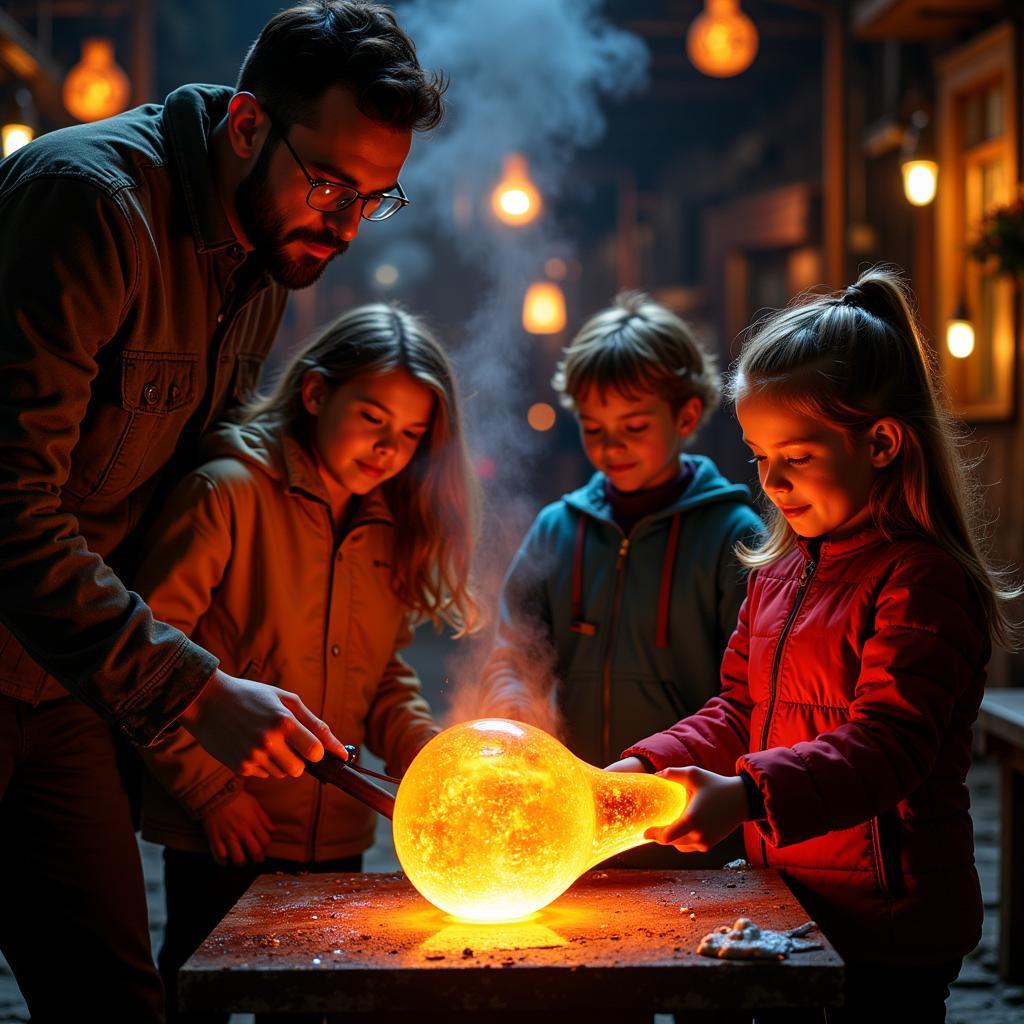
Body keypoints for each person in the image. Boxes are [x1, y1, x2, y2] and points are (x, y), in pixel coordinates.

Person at [0, 3, 445, 1019]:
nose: (342, 226)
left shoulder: (263, 254)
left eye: (374, 199)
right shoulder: (93, 205)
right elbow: (10, 512)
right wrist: (199, 691)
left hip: (64, 679)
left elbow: (181, 480)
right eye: (331, 183)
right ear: (247, 124)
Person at [612, 268, 1022, 1022]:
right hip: (793, 907)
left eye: (794, 457)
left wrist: (745, 796)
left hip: (889, 930)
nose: (770, 482)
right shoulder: (778, 575)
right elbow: (737, 708)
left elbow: (887, 744)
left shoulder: (921, 581)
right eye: (756, 455)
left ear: (882, 443)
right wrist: (641, 767)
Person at [132, 303, 478, 1021]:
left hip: (338, 832)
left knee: (318, 1001)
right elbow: (146, 656)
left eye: (412, 435)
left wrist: (432, 755)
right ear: (317, 394)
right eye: (373, 418)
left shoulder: (384, 522)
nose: (389, 448)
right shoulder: (227, 493)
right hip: (227, 829)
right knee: (200, 992)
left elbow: (382, 673)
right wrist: (209, 795)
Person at [481, 292, 762, 868]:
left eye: (633, 426)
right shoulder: (556, 530)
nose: (610, 446)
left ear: (686, 416)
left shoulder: (736, 536)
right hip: (575, 823)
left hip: (691, 825)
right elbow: (514, 650)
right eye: (592, 427)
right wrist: (515, 709)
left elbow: (754, 692)